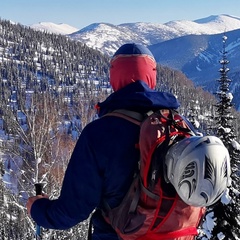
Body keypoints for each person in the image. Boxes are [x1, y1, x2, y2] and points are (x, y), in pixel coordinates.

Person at [26, 43, 185, 239]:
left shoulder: (99, 133)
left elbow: (71, 211)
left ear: (114, 78)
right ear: (152, 75)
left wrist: (38, 209)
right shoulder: (178, 125)